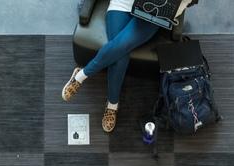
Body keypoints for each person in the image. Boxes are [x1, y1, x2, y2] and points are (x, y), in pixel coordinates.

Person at [61, 0, 196, 132]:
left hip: (151, 13)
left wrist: (169, 9)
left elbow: (183, 4)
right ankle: (112, 104)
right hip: (121, 5)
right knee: (120, 56)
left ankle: (81, 75)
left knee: (122, 46)